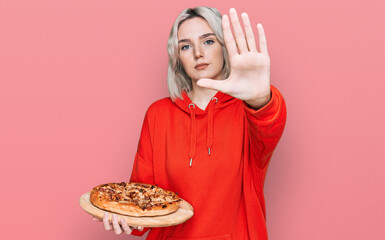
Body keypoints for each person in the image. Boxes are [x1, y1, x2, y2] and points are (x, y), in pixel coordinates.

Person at [93, 6, 287, 240]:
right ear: (177, 58)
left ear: (225, 47)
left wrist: (258, 97)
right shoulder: (158, 114)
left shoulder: (249, 111)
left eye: (208, 41)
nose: (197, 53)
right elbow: (142, 202)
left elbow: (269, 120)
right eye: (186, 46)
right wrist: (125, 218)